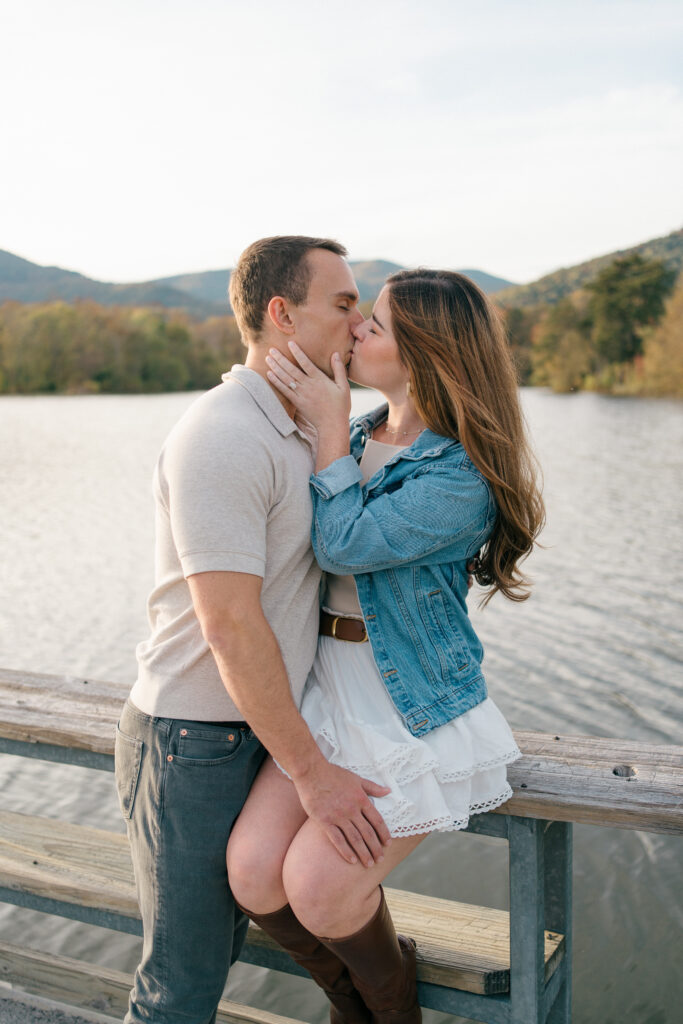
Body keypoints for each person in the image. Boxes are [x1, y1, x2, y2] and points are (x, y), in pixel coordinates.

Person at [226, 269, 545, 1023]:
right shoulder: (359, 433)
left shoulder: (458, 475)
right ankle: (356, 996)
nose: (357, 331)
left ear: (428, 351)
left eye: (377, 323)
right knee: (250, 876)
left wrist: (328, 431)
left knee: (317, 886)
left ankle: (388, 1011)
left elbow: (341, 545)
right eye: (359, 316)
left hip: (412, 706)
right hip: (322, 690)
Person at [114, 236, 396, 1024]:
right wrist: (312, 774)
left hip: (259, 730)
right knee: (182, 986)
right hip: (193, 741)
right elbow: (230, 627)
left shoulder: (303, 426)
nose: (357, 322)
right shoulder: (223, 433)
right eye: (342, 304)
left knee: (219, 962)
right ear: (281, 314)